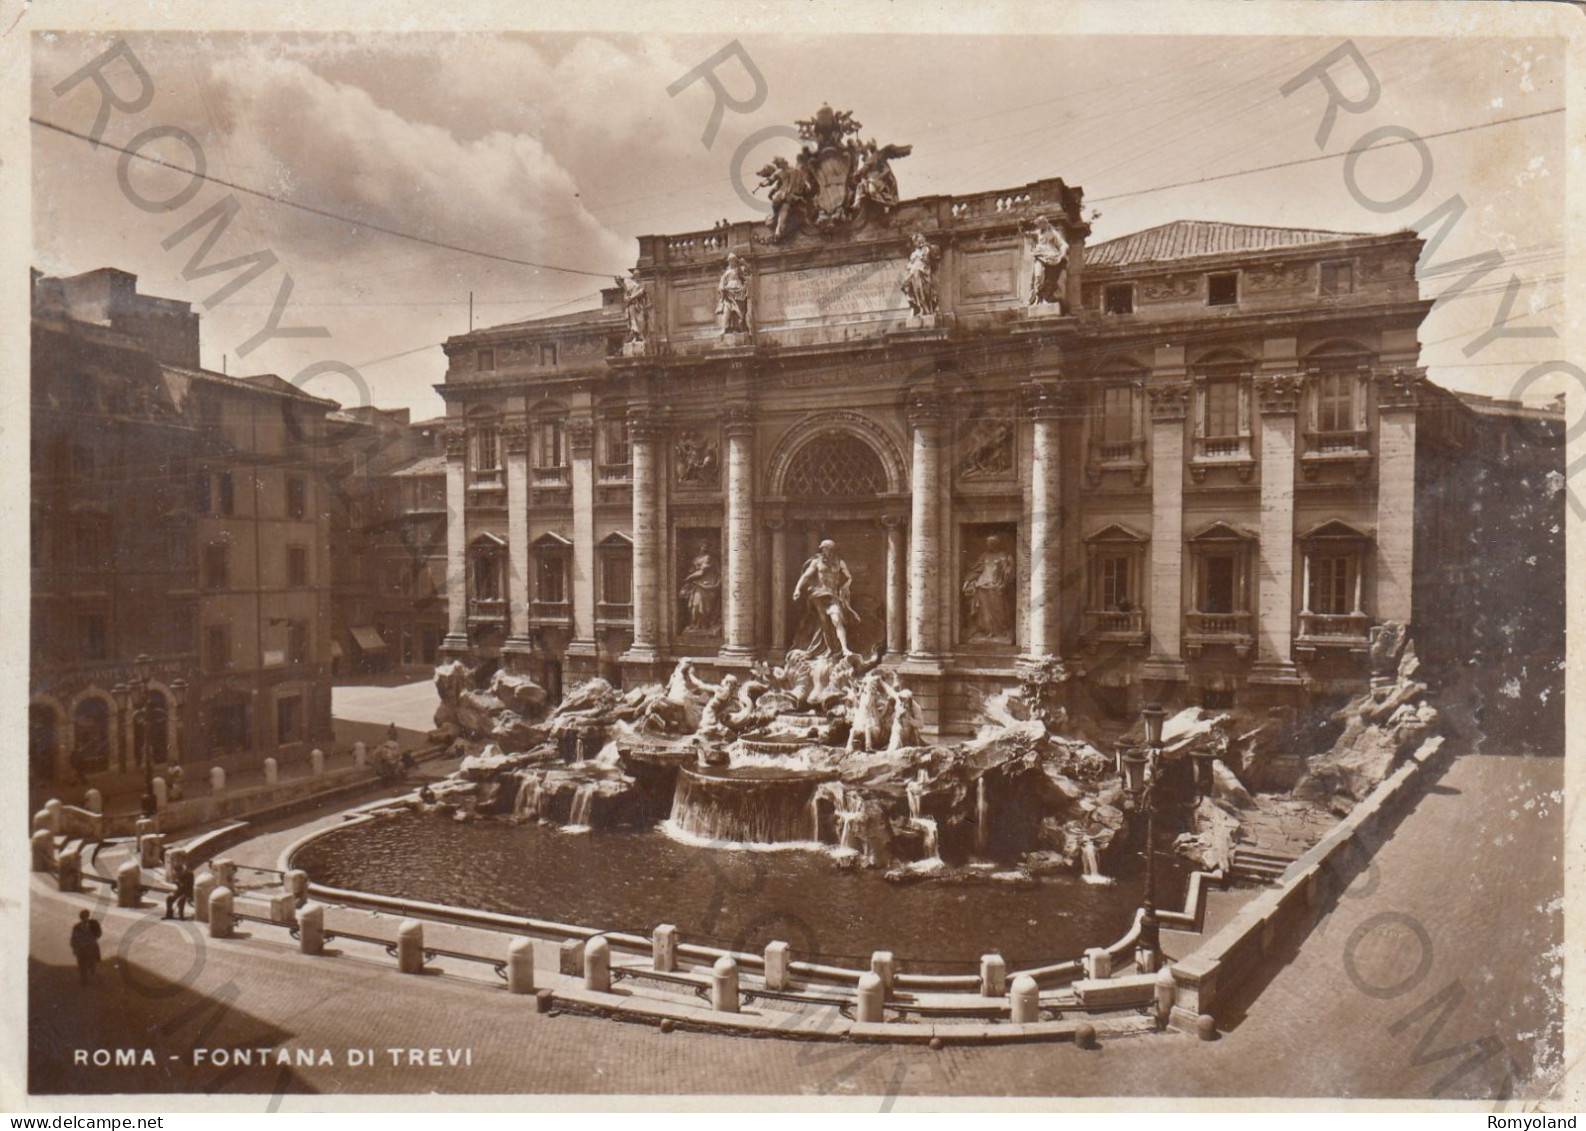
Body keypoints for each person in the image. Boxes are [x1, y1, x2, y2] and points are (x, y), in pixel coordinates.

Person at [792, 539, 860, 658]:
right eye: (822, 549)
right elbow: (806, 576)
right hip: (819, 595)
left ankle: (844, 649)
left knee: (836, 619)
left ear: (832, 550)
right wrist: (797, 589)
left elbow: (849, 577)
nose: (823, 551)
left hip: (833, 595)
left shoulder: (840, 563)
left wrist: (846, 586)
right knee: (825, 624)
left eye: (826, 548)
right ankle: (830, 649)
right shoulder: (816, 562)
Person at [962, 533, 1016, 640]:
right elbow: (976, 570)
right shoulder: (984, 555)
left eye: (991, 543)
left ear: (996, 544)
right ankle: (988, 631)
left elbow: (1007, 573)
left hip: (996, 587)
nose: (988, 545)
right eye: (987, 543)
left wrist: (1004, 583)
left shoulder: (1003, 555)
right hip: (982, 586)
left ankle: (1000, 631)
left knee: (999, 610)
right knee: (984, 610)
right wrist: (967, 581)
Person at [1027, 215, 1070, 308]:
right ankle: (1038, 299)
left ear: (1045, 223)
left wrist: (1063, 252)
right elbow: (1025, 233)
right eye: (1038, 224)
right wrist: (1020, 225)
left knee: (1050, 279)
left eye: (1041, 223)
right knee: (1038, 276)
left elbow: (1063, 244)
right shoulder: (1037, 233)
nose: (1040, 226)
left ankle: (1046, 298)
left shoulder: (1053, 233)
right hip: (1040, 256)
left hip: (1052, 256)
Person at [679, 548, 722, 632]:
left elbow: (701, 572)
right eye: (701, 545)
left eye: (705, 545)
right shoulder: (696, 558)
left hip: (708, 583)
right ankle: (695, 625)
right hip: (697, 584)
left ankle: (704, 626)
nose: (702, 547)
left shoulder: (708, 558)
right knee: (695, 605)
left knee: (704, 607)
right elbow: (692, 570)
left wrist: (688, 578)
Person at [901, 232, 938, 316]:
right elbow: (909, 266)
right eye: (917, 241)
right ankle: (919, 308)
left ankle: (926, 309)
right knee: (914, 290)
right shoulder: (913, 254)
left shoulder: (927, 250)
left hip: (923, 274)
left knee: (925, 291)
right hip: (914, 276)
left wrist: (926, 248)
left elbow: (930, 260)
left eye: (921, 240)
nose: (920, 243)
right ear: (914, 243)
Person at [716, 252, 751, 334]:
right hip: (728, 292)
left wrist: (743, 263)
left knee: (740, 312)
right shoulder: (726, 272)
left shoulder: (739, 269)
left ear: (736, 261)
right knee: (727, 311)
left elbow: (748, 271)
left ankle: (740, 327)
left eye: (734, 260)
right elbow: (722, 282)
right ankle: (724, 328)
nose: (732, 262)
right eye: (730, 261)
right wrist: (722, 289)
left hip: (739, 291)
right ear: (729, 262)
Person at [70, 910, 102, 985]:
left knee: (92, 964)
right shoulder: (77, 927)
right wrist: (75, 948)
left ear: (88, 916)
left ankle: (93, 979)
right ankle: (84, 980)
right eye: (82, 917)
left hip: (91, 948)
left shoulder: (94, 923)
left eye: (86, 917)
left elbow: (99, 933)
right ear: (81, 918)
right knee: (82, 965)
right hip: (81, 949)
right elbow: (74, 938)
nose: (84, 919)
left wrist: (94, 937)